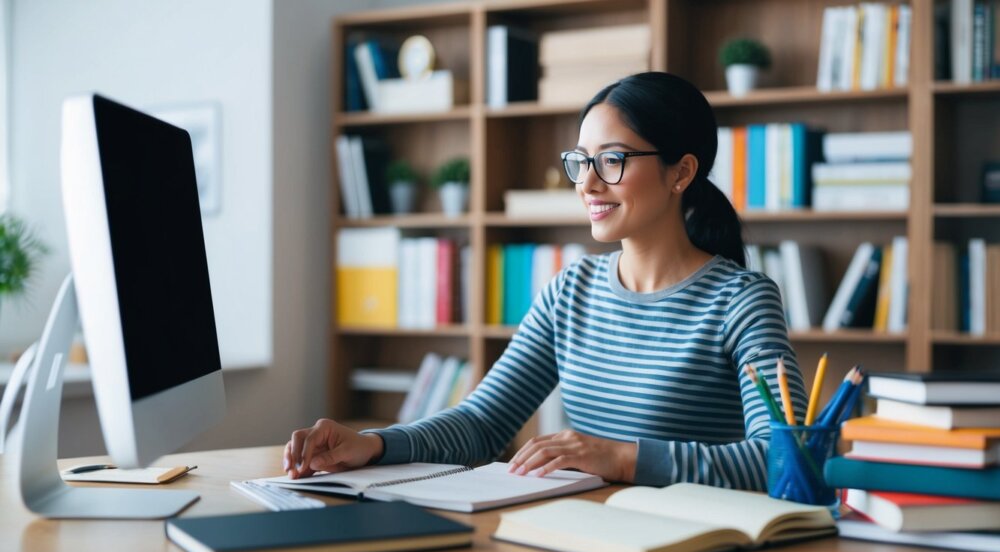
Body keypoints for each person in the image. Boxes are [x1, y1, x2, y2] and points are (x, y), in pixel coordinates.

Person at [285, 72, 808, 489]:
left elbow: (780, 457)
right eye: (581, 161)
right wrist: (374, 444)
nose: (587, 183)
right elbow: (483, 424)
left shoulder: (742, 300)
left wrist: (618, 458)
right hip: (581, 535)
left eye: (613, 160)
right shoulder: (571, 290)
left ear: (682, 172)